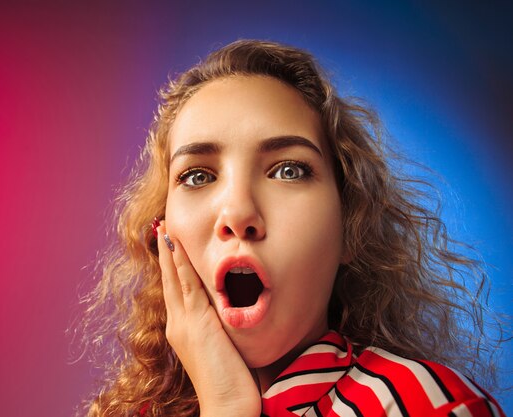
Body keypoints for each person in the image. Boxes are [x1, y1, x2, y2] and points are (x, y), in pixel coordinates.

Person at [77, 40, 506, 416]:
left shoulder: (421, 403)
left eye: (288, 170)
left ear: (349, 227)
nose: (238, 213)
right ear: (162, 235)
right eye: (198, 176)